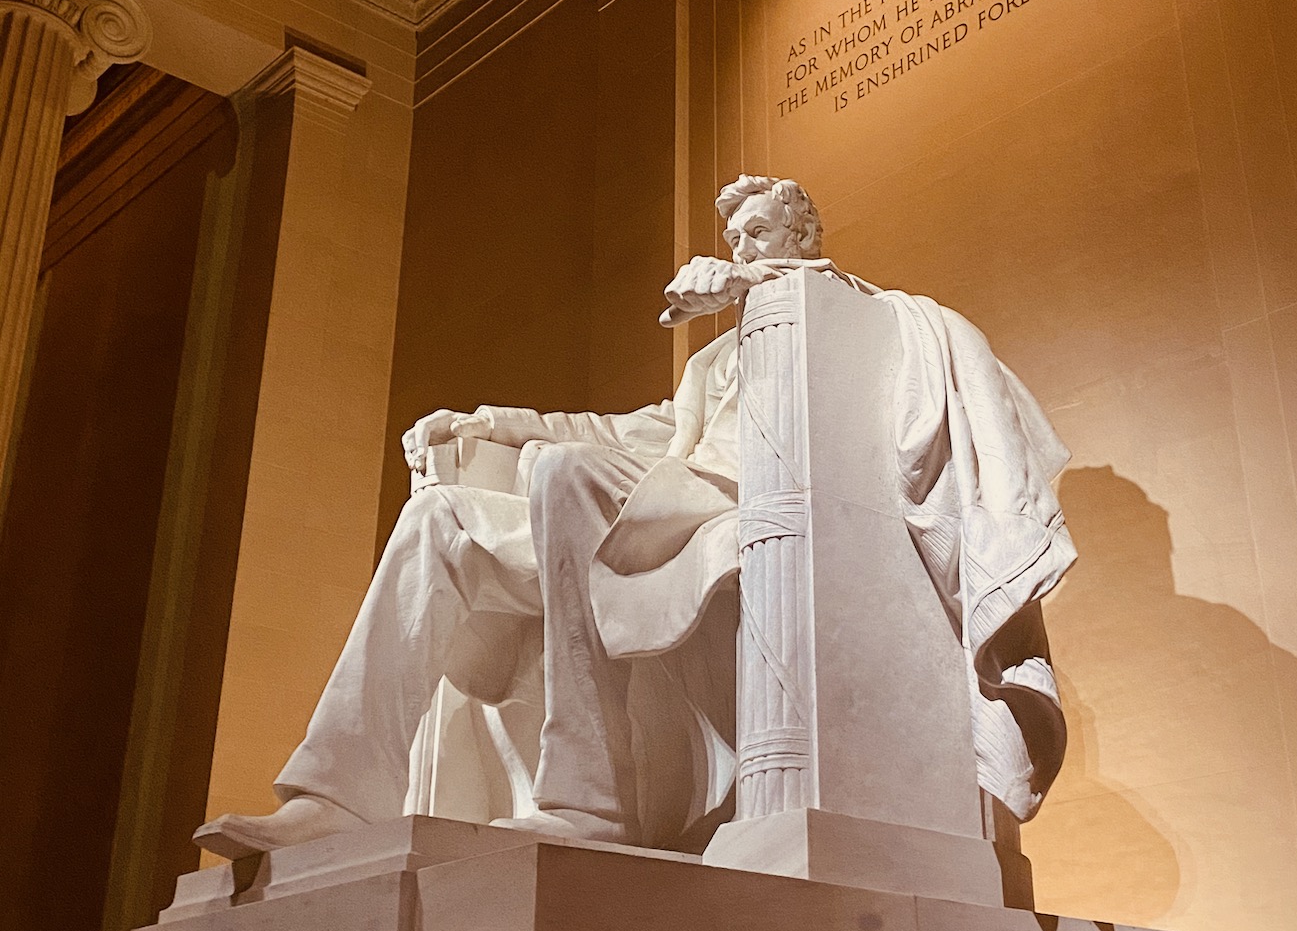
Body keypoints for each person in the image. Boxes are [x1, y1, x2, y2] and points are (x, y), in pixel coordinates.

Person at [195, 175, 1075, 858]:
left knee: (568, 476)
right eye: (734, 237)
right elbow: (632, 432)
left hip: (740, 514)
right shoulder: (714, 361)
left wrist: (752, 285)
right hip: (652, 510)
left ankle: (589, 797)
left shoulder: (862, 315)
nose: (744, 245)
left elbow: (826, 318)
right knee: (446, 520)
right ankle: (336, 795)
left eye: (761, 233)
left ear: (803, 235)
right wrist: (493, 423)